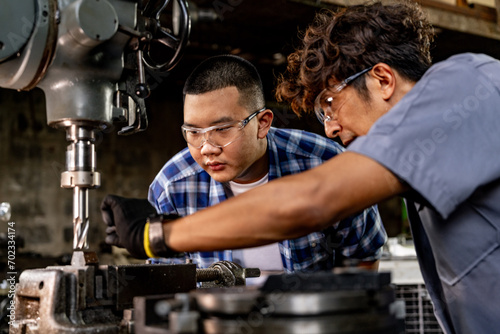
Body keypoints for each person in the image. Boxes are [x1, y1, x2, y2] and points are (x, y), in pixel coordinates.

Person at [101, 2, 500, 332]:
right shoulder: (422, 166)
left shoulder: (464, 86)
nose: (329, 127)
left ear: (381, 79)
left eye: (329, 103)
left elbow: (312, 201)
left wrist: (158, 234)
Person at [103, 55, 387, 278]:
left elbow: (362, 257)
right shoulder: (173, 185)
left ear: (262, 123)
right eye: (193, 132)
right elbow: (167, 281)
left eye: (223, 129)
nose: (207, 148)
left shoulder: (323, 162)